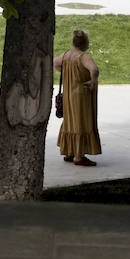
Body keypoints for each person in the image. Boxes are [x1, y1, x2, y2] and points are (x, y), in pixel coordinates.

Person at [55, 28, 102, 166]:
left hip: (69, 95)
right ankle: (79, 156)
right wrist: (93, 81)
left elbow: (55, 63)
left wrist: (67, 73)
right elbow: (94, 69)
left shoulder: (66, 55)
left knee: (70, 121)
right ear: (85, 43)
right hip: (82, 95)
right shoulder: (84, 56)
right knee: (82, 122)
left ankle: (70, 152)